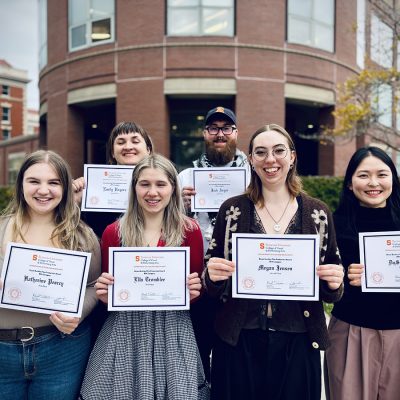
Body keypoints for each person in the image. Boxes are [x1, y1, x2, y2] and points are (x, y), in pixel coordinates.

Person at [203, 124, 344, 400]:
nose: (271, 160)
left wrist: (333, 281)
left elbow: (332, 280)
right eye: (261, 152)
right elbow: (211, 272)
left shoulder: (317, 213)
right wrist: (212, 275)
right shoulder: (231, 210)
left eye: (279, 151)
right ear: (251, 160)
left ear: (292, 157)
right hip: (238, 338)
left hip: (299, 337)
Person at [80, 154, 210, 400]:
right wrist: (105, 292)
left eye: (160, 184)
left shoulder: (190, 230)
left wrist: (195, 290)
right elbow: (111, 293)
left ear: (173, 188)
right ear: (134, 188)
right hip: (126, 329)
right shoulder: (114, 232)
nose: (153, 192)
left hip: (172, 328)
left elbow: (193, 293)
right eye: (145, 184)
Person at [0, 150, 101, 400]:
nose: (43, 190)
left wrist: (79, 312)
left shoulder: (82, 235)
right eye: (34, 181)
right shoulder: (1, 227)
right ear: (21, 183)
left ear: (65, 187)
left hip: (62, 348)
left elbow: (93, 285)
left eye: (53, 182)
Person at [178, 106, 250, 379]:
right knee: (198, 351)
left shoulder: (252, 178)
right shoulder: (185, 177)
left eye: (226, 128)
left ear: (235, 133)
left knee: (233, 356)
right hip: (198, 276)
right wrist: (180, 206)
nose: (220, 134)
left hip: (237, 277)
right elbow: (169, 227)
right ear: (204, 134)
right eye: (213, 129)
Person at [325, 146, 400, 400]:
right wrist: (341, 279)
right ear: (349, 183)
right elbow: (319, 284)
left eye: (382, 174)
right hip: (351, 332)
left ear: (393, 178)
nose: (373, 183)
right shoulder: (332, 225)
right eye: (363, 175)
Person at [73, 121, 153, 238]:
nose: (128, 147)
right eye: (121, 142)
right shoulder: (93, 185)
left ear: (148, 150)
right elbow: (81, 230)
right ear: (112, 153)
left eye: (135, 141)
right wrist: (74, 203)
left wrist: (183, 203)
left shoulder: (164, 182)